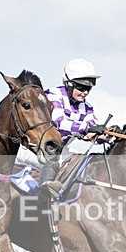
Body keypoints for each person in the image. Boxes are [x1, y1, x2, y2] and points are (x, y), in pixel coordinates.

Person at [38, 57, 108, 197]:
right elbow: (59, 122)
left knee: (82, 160)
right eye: (81, 87)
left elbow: (93, 132)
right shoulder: (52, 95)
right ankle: (41, 197)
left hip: (59, 150)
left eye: (88, 88)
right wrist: (87, 128)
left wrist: (107, 133)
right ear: (69, 84)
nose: (85, 92)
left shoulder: (87, 107)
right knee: (54, 160)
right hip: (36, 147)